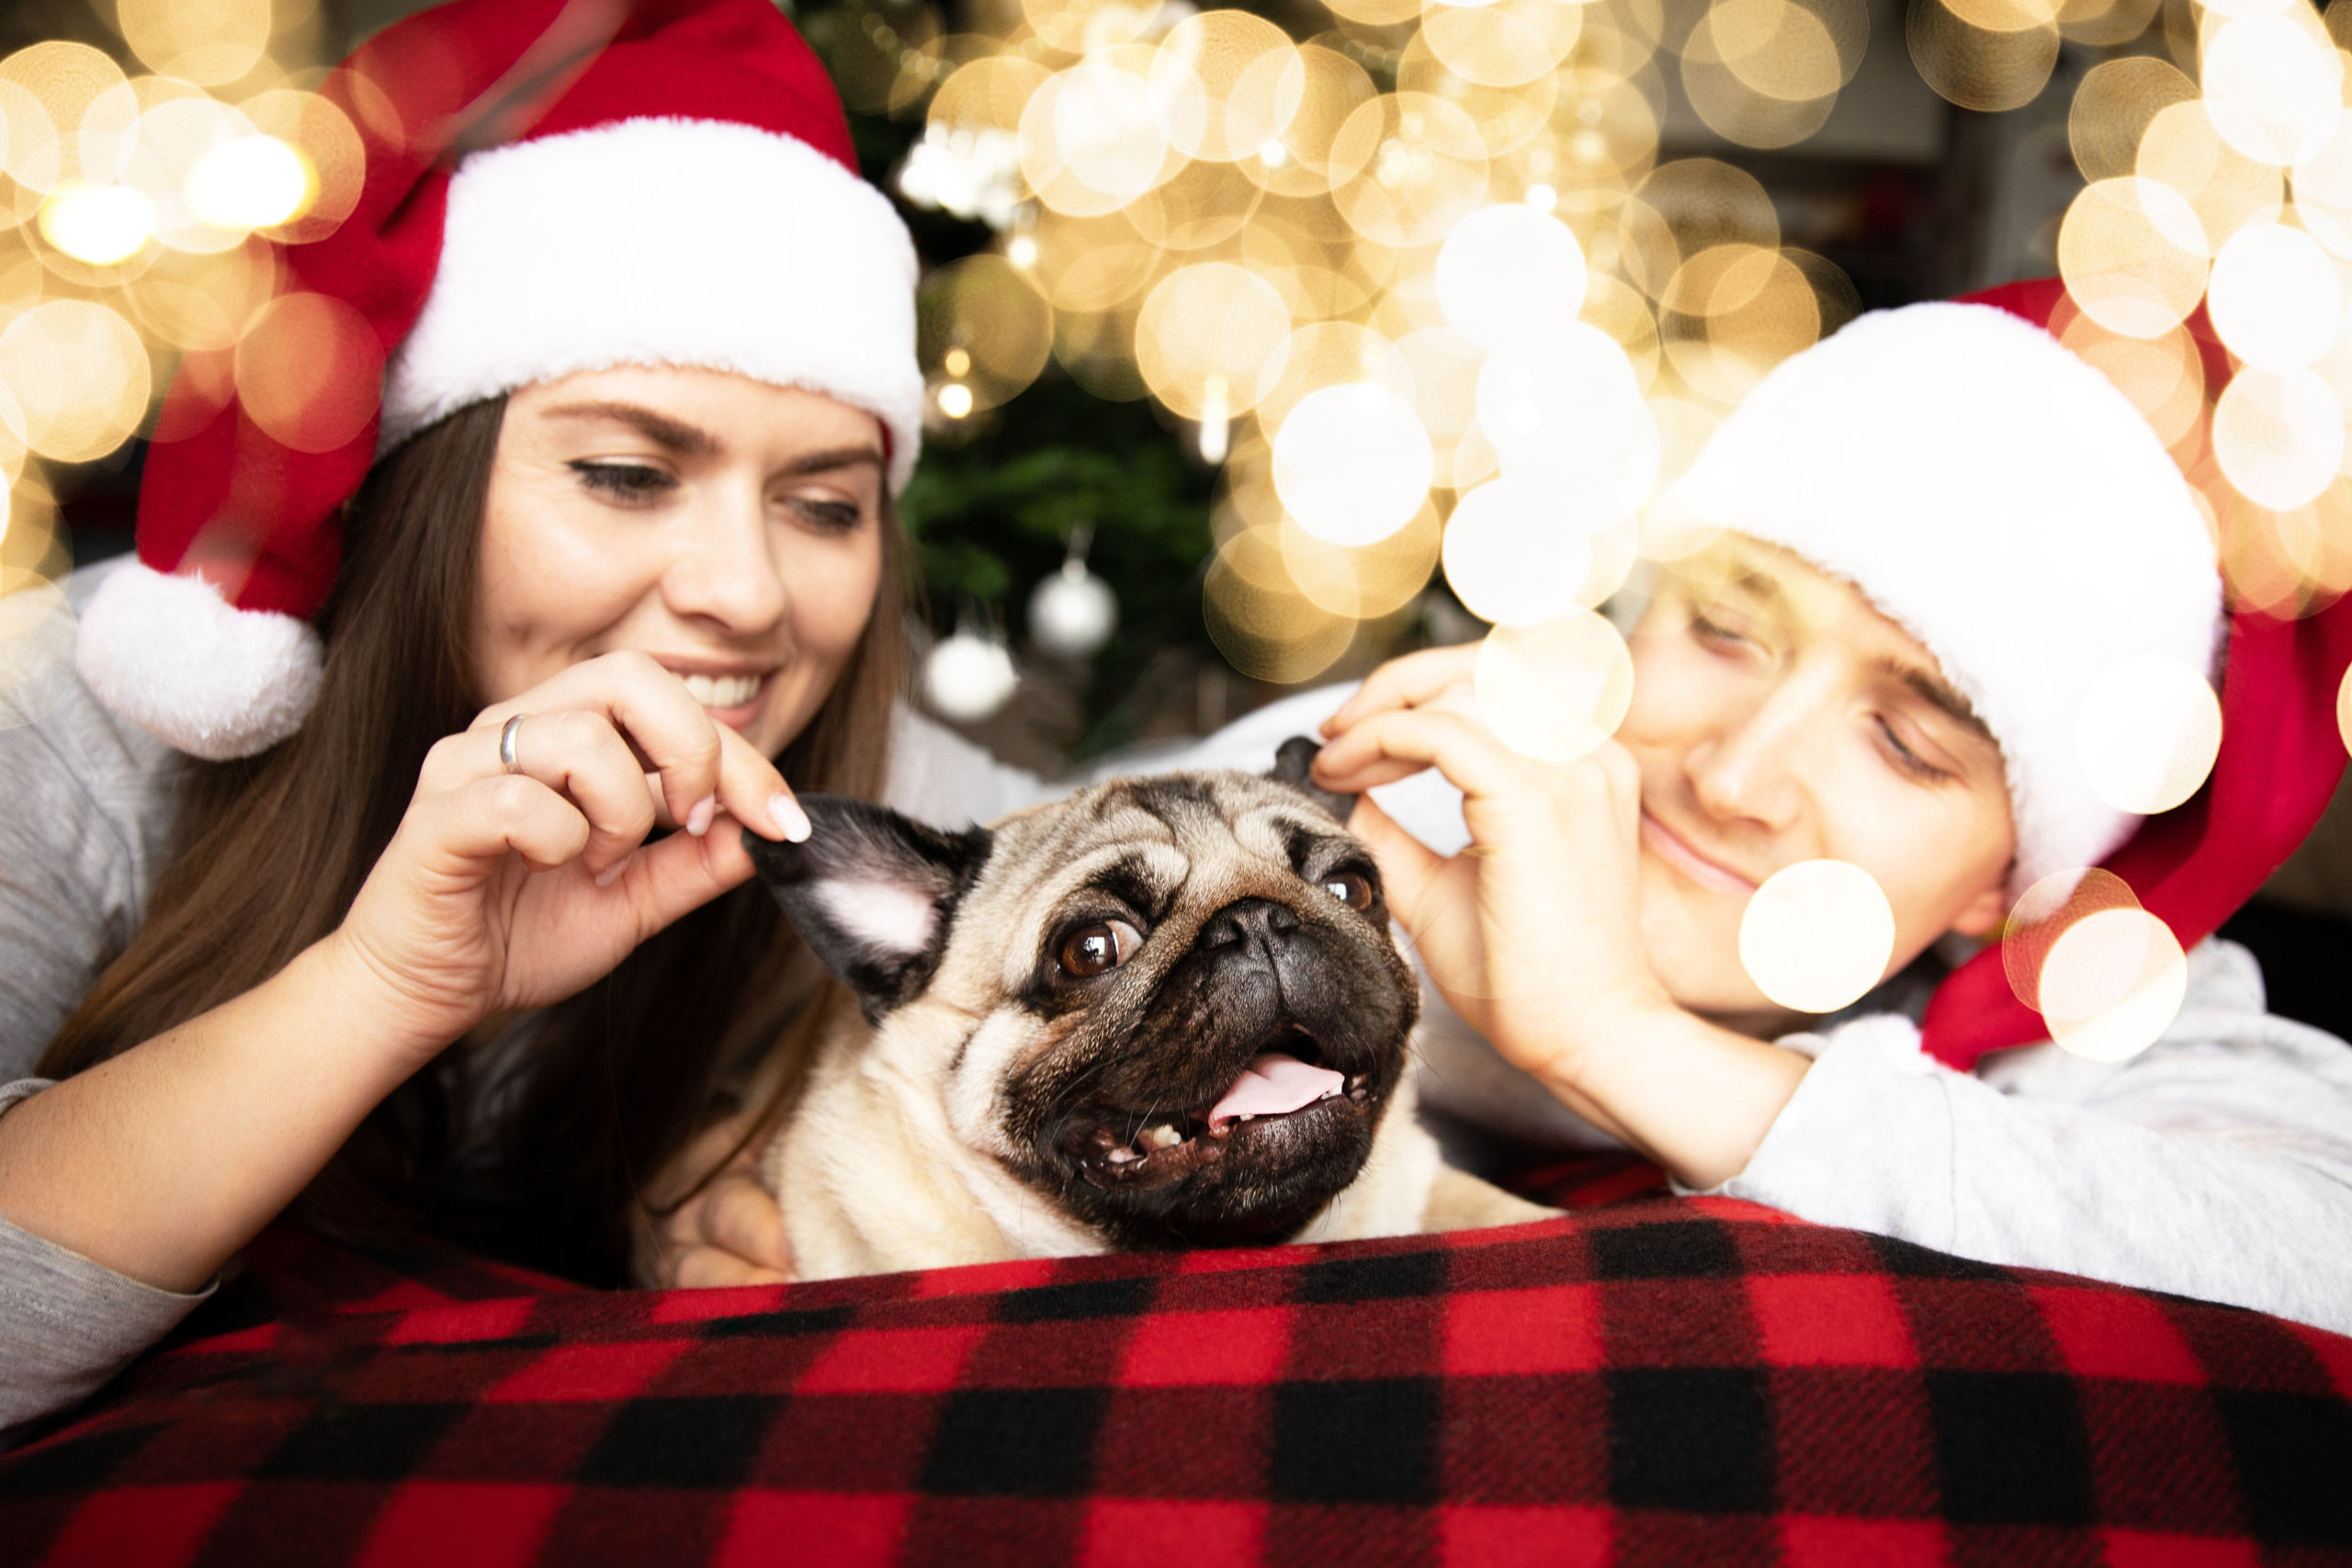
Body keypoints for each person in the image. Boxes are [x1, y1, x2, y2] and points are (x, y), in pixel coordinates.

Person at [0, 0, 1036, 1443]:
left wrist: (786, 1151)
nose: (744, 593)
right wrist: (380, 985)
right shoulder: (69, 722)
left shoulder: (852, 794)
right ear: (422, 477)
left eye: (822, 506)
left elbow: (1191, 852)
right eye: (625, 472)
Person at [1296, 298, 2352, 1333]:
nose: (1733, 779)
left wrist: (1615, 1037)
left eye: (1904, 745)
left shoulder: (2102, 1006)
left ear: (2013, 883)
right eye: (1721, 629)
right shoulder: (1399, 797)